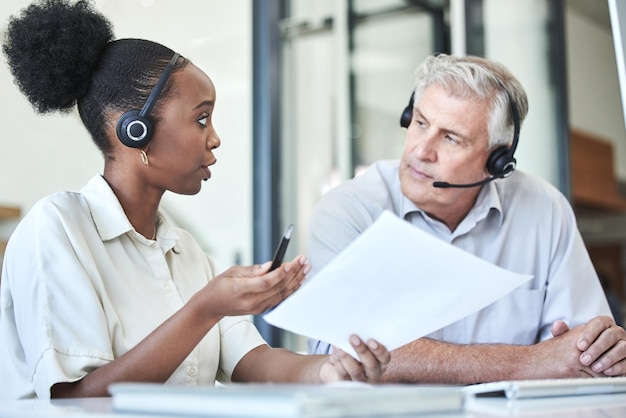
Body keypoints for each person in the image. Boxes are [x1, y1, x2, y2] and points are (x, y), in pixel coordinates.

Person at [0, 0, 390, 400]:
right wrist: (206, 307)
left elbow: (252, 363)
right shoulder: (56, 229)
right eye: (201, 119)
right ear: (135, 130)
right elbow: (78, 399)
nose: (214, 137)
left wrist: (332, 370)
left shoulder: (185, 250)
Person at [307, 53, 626, 384]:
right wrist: (531, 361)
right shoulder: (348, 209)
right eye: (420, 123)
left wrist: (602, 350)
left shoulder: (545, 210)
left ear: (497, 161)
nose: (421, 151)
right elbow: (342, 353)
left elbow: (585, 355)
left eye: (450, 137)